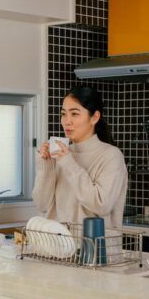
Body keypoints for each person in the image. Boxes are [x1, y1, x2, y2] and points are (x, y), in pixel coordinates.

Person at [32, 85, 128, 229]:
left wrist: (69, 163)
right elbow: (42, 204)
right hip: (58, 247)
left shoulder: (111, 156)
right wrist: (46, 166)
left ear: (94, 117)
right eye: (63, 114)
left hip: (94, 249)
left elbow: (101, 205)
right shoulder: (61, 155)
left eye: (75, 114)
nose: (67, 121)